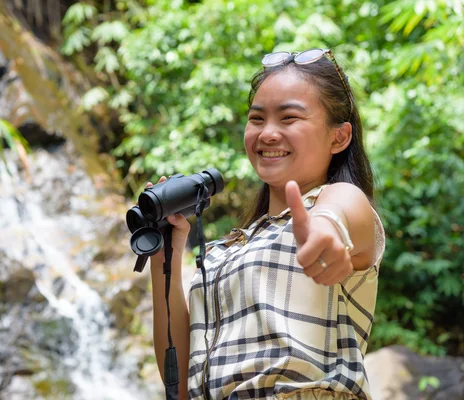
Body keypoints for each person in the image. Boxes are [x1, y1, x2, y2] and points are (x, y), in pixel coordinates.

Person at [146, 48, 385, 400]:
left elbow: (342, 209)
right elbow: (179, 385)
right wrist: (164, 257)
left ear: (339, 137)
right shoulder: (221, 252)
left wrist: (324, 228)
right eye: (257, 119)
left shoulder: (338, 203)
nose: (268, 133)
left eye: (289, 118)